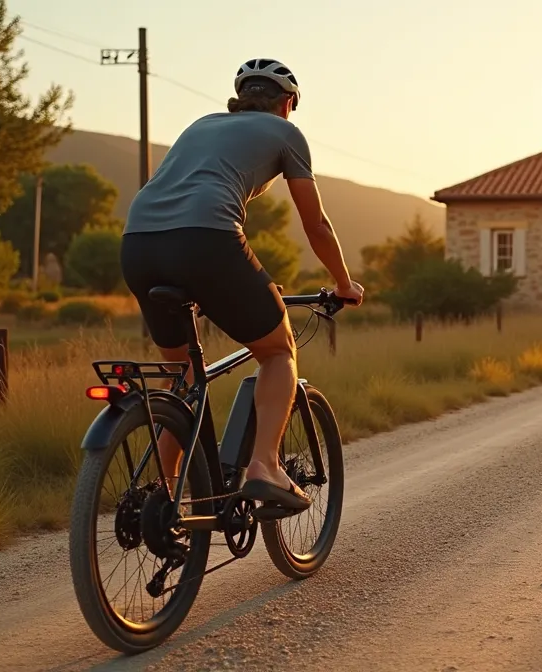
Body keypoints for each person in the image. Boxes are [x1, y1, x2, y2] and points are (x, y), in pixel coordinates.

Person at [120, 58, 363, 512]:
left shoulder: (200, 125)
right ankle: (264, 466)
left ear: (240, 97)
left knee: (183, 377)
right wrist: (344, 282)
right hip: (206, 240)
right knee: (276, 351)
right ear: (288, 102)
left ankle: (162, 497)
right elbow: (316, 224)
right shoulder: (287, 133)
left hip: (137, 244)